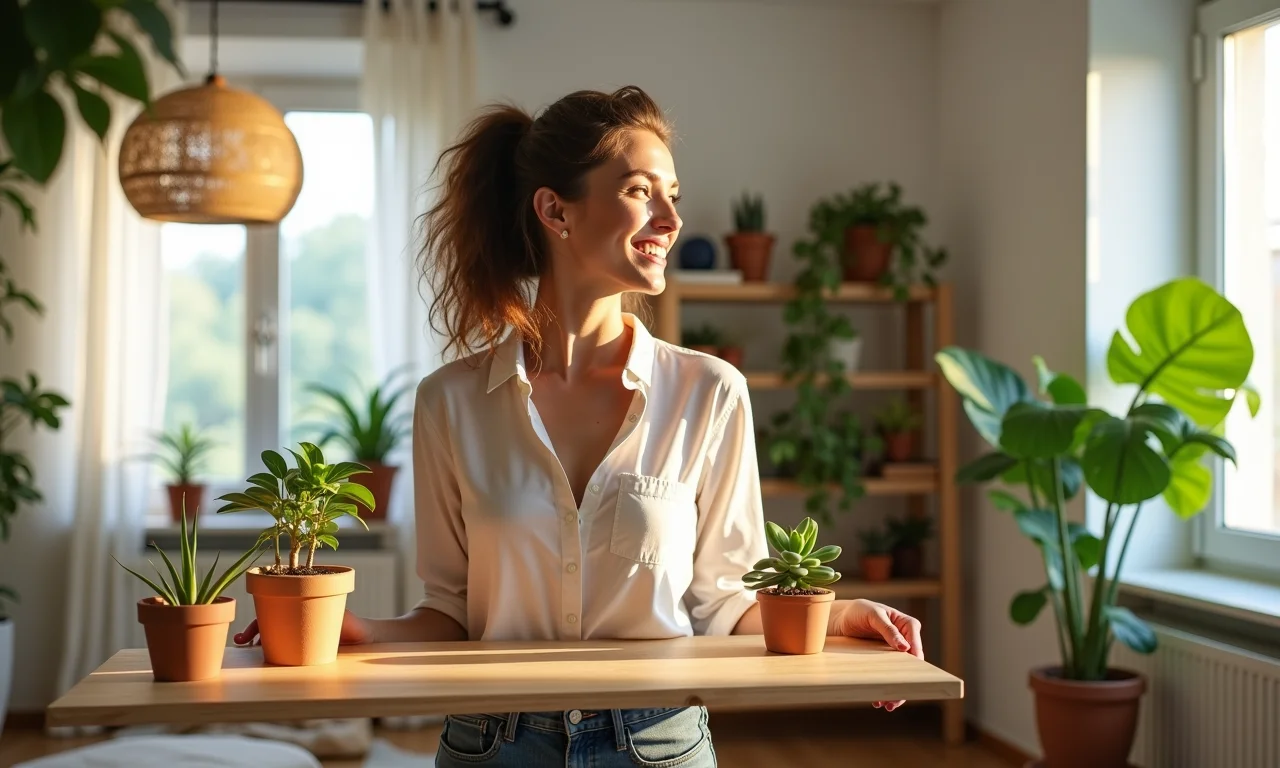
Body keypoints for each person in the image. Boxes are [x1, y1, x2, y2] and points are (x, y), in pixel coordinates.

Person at [234, 85, 925, 767]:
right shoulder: (451, 401)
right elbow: (452, 612)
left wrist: (843, 616)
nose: (670, 218)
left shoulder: (711, 393)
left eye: (673, 195)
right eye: (639, 191)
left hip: (658, 743)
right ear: (555, 211)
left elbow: (725, 603)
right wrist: (353, 630)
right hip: (490, 744)